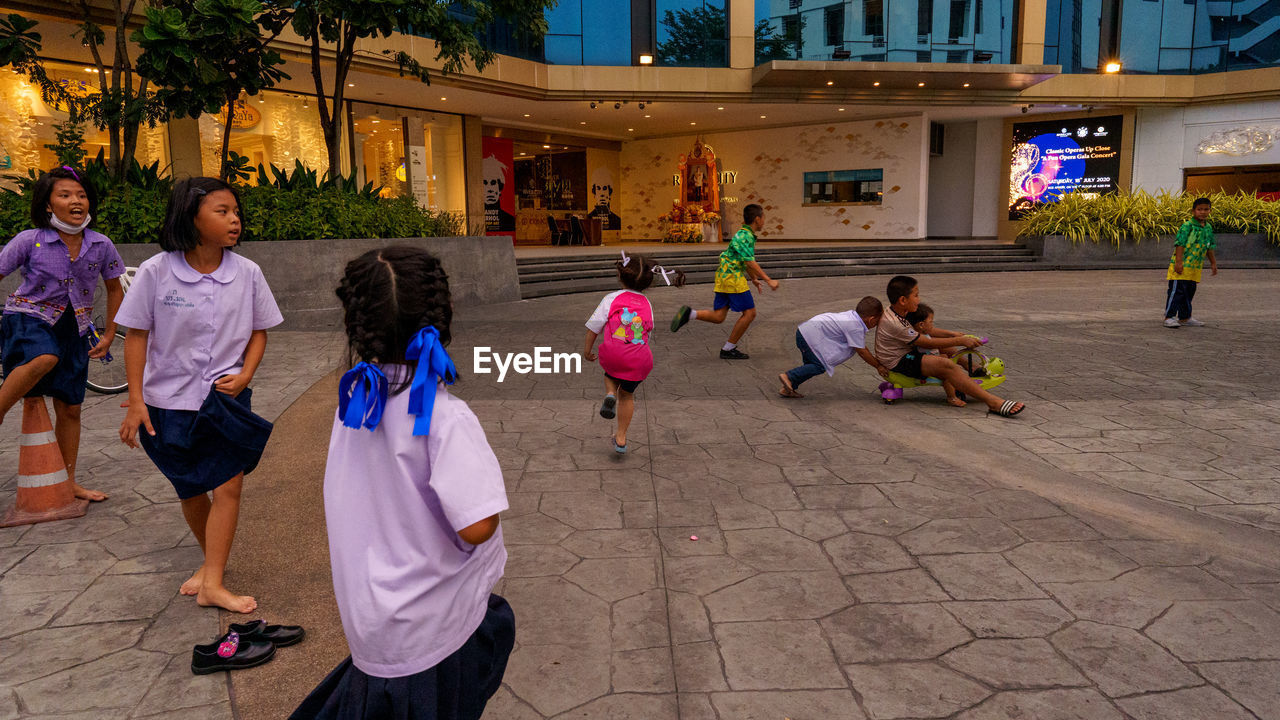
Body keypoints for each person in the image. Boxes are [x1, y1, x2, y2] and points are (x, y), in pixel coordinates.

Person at [290, 246, 513, 720]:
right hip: (430, 630)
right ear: (444, 312)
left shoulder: (355, 403)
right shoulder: (445, 418)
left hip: (372, 620)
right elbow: (477, 527)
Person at [117, 177, 283, 614]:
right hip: (166, 401)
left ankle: (212, 581)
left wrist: (246, 374)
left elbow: (259, 332)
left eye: (235, 212)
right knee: (190, 488)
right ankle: (212, 569)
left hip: (225, 400)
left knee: (228, 487)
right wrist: (136, 400)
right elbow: (135, 337)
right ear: (192, 217)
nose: (234, 220)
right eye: (222, 211)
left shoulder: (247, 273)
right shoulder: (156, 271)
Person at [0, 166, 124, 502]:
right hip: (28, 318)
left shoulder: (101, 245)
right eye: (65, 195)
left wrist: (109, 333)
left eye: (81, 195)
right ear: (48, 205)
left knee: (70, 407)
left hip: (76, 328)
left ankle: (68, 480)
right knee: (44, 355)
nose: (76, 201)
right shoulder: (30, 240)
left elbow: (115, 289)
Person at [876, 275, 1026, 417]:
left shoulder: (903, 311)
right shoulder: (895, 323)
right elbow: (925, 342)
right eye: (916, 295)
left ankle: (973, 368)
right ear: (903, 300)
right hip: (898, 361)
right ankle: (993, 402)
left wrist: (953, 334)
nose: (918, 299)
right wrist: (960, 341)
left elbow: (926, 331)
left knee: (946, 347)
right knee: (945, 365)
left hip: (906, 350)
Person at [583, 251, 685, 453]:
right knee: (627, 395)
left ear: (620, 276)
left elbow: (593, 328)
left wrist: (587, 351)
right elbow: (649, 328)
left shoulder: (611, 298)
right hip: (640, 358)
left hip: (613, 354)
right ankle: (621, 438)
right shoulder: (647, 304)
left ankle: (610, 393)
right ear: (647, 283)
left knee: (610, 375)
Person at [670, 203, 778, 359]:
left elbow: (744, 258)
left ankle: (690, 314)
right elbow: (749, 261)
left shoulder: (743, 234)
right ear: (757, 219)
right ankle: (728, 349)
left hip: (724, 277)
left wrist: (753, 279)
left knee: (719, 316)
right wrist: (768, 280)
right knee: (750, 313)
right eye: (763, 218)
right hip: (733, 279)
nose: (764, 222)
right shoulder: (746, 236)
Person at [778, 296, 885, 399]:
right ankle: (789, 377)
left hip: (805, 332)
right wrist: (878, 366)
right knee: (819, 366)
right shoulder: (855, 326)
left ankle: (788, 388)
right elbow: (862, 351)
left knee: (810, 366)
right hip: (809, 336)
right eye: (878, 321)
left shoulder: (851, 316)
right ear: (871, 320)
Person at [1164, 197, 1217, 328]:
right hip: (1181, 266)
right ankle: (1169, 317)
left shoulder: (1208, 227)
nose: (1203, 212)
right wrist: (1178, 262)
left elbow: (1209, 247)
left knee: (1189, 293)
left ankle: (1185, 317)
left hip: (1195, 268)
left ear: (1210, 211)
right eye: (1199, 209)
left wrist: (1213, 263)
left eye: (1206, 209)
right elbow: (1180, 244)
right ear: (1193, 211)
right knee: (1176, 292)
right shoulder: (1187, 226)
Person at [905, 303, 971, 407]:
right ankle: (952, 397)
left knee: (947, 357)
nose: (932, 325)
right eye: (931, 322)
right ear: (921, 325)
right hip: (925, 364)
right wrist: (958, 341)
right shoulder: (919, 338)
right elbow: (933, 344)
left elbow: (935, 338)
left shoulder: (921, 333)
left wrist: (953, 335)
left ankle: (968, 368)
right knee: (947, 373)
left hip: (929, 357)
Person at [482, 155, 514, 232]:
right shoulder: (475, 220)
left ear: (499, 188)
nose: (490, 189)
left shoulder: (510, 221)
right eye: (485, 183)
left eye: (493, 183)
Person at [588, 166, 621, 231]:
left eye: (605, 188)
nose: (602, 193)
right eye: (598, 188)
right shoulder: (589, 218)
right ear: (594, 193)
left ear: (610, 193)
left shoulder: (616, 220)